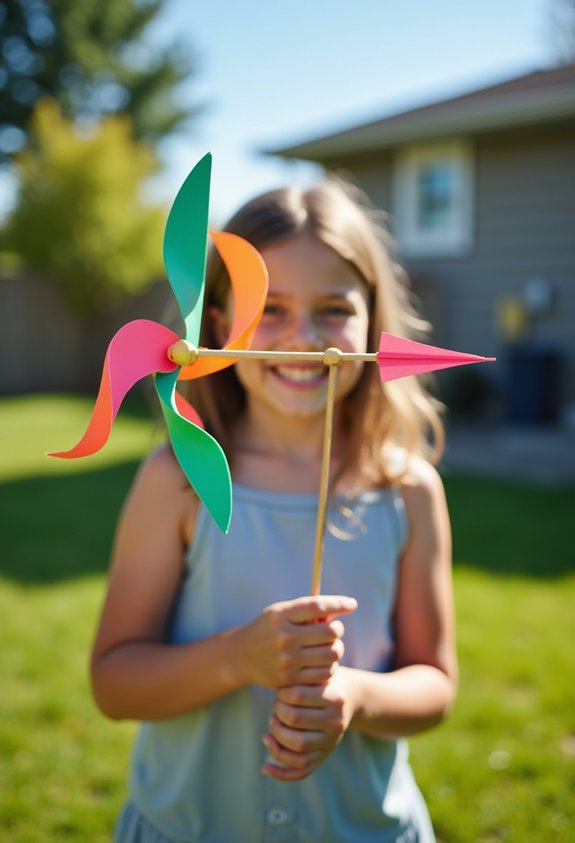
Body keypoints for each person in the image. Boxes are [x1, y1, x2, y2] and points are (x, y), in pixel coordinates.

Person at [90, 176, 457, 843]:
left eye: (333, 309)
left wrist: (355, 695)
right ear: (221, 326)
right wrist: (237, 658)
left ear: (373, 323)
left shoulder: (408, 489)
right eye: (272, 308)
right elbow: (115, 684)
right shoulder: (177, 480)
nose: (304, 338)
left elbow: (435, 684)